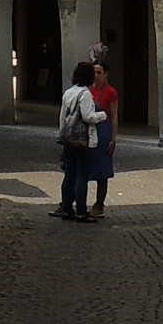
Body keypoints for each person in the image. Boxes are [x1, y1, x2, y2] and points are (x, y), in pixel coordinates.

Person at [54, 60, 105, 222]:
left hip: (69, 140)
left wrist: (63, 134)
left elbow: (62, 117)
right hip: (83, 141)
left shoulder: (68, 93)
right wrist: (102, 115)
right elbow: (88, 116)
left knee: (69, 175)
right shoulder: (85, 94)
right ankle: (81, 212)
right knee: (82, 176)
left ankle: (67, 209)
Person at [87, 59, 119, 219]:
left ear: (105, 74)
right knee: (83, 167)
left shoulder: (110, 92)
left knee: (102, 169)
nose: (96, 75)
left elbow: (113, 116)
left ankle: (99, 204)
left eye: (99, 72)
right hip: (88, 130)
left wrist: (113, 138)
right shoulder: (86, 90)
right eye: (94, 72)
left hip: (103, 131)